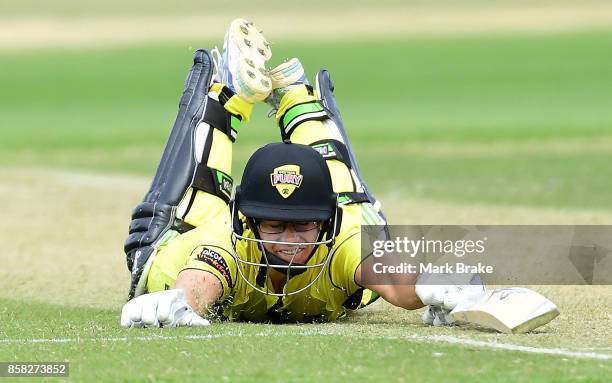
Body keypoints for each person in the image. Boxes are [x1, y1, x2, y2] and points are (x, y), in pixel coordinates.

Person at [120, 19, 485, 328]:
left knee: (354, 210)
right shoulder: (225, 242)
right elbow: (198, 283)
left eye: (304, 225)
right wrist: (178, 302)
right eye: (275, 226)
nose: (290, 240)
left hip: (336, 225)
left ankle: (295, 94)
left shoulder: (342, 239)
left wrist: (429, 284)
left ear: (326, 225)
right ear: (247, 222)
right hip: (174, 246)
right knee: (183, 211)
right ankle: (227, 94)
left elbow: (390, 277)